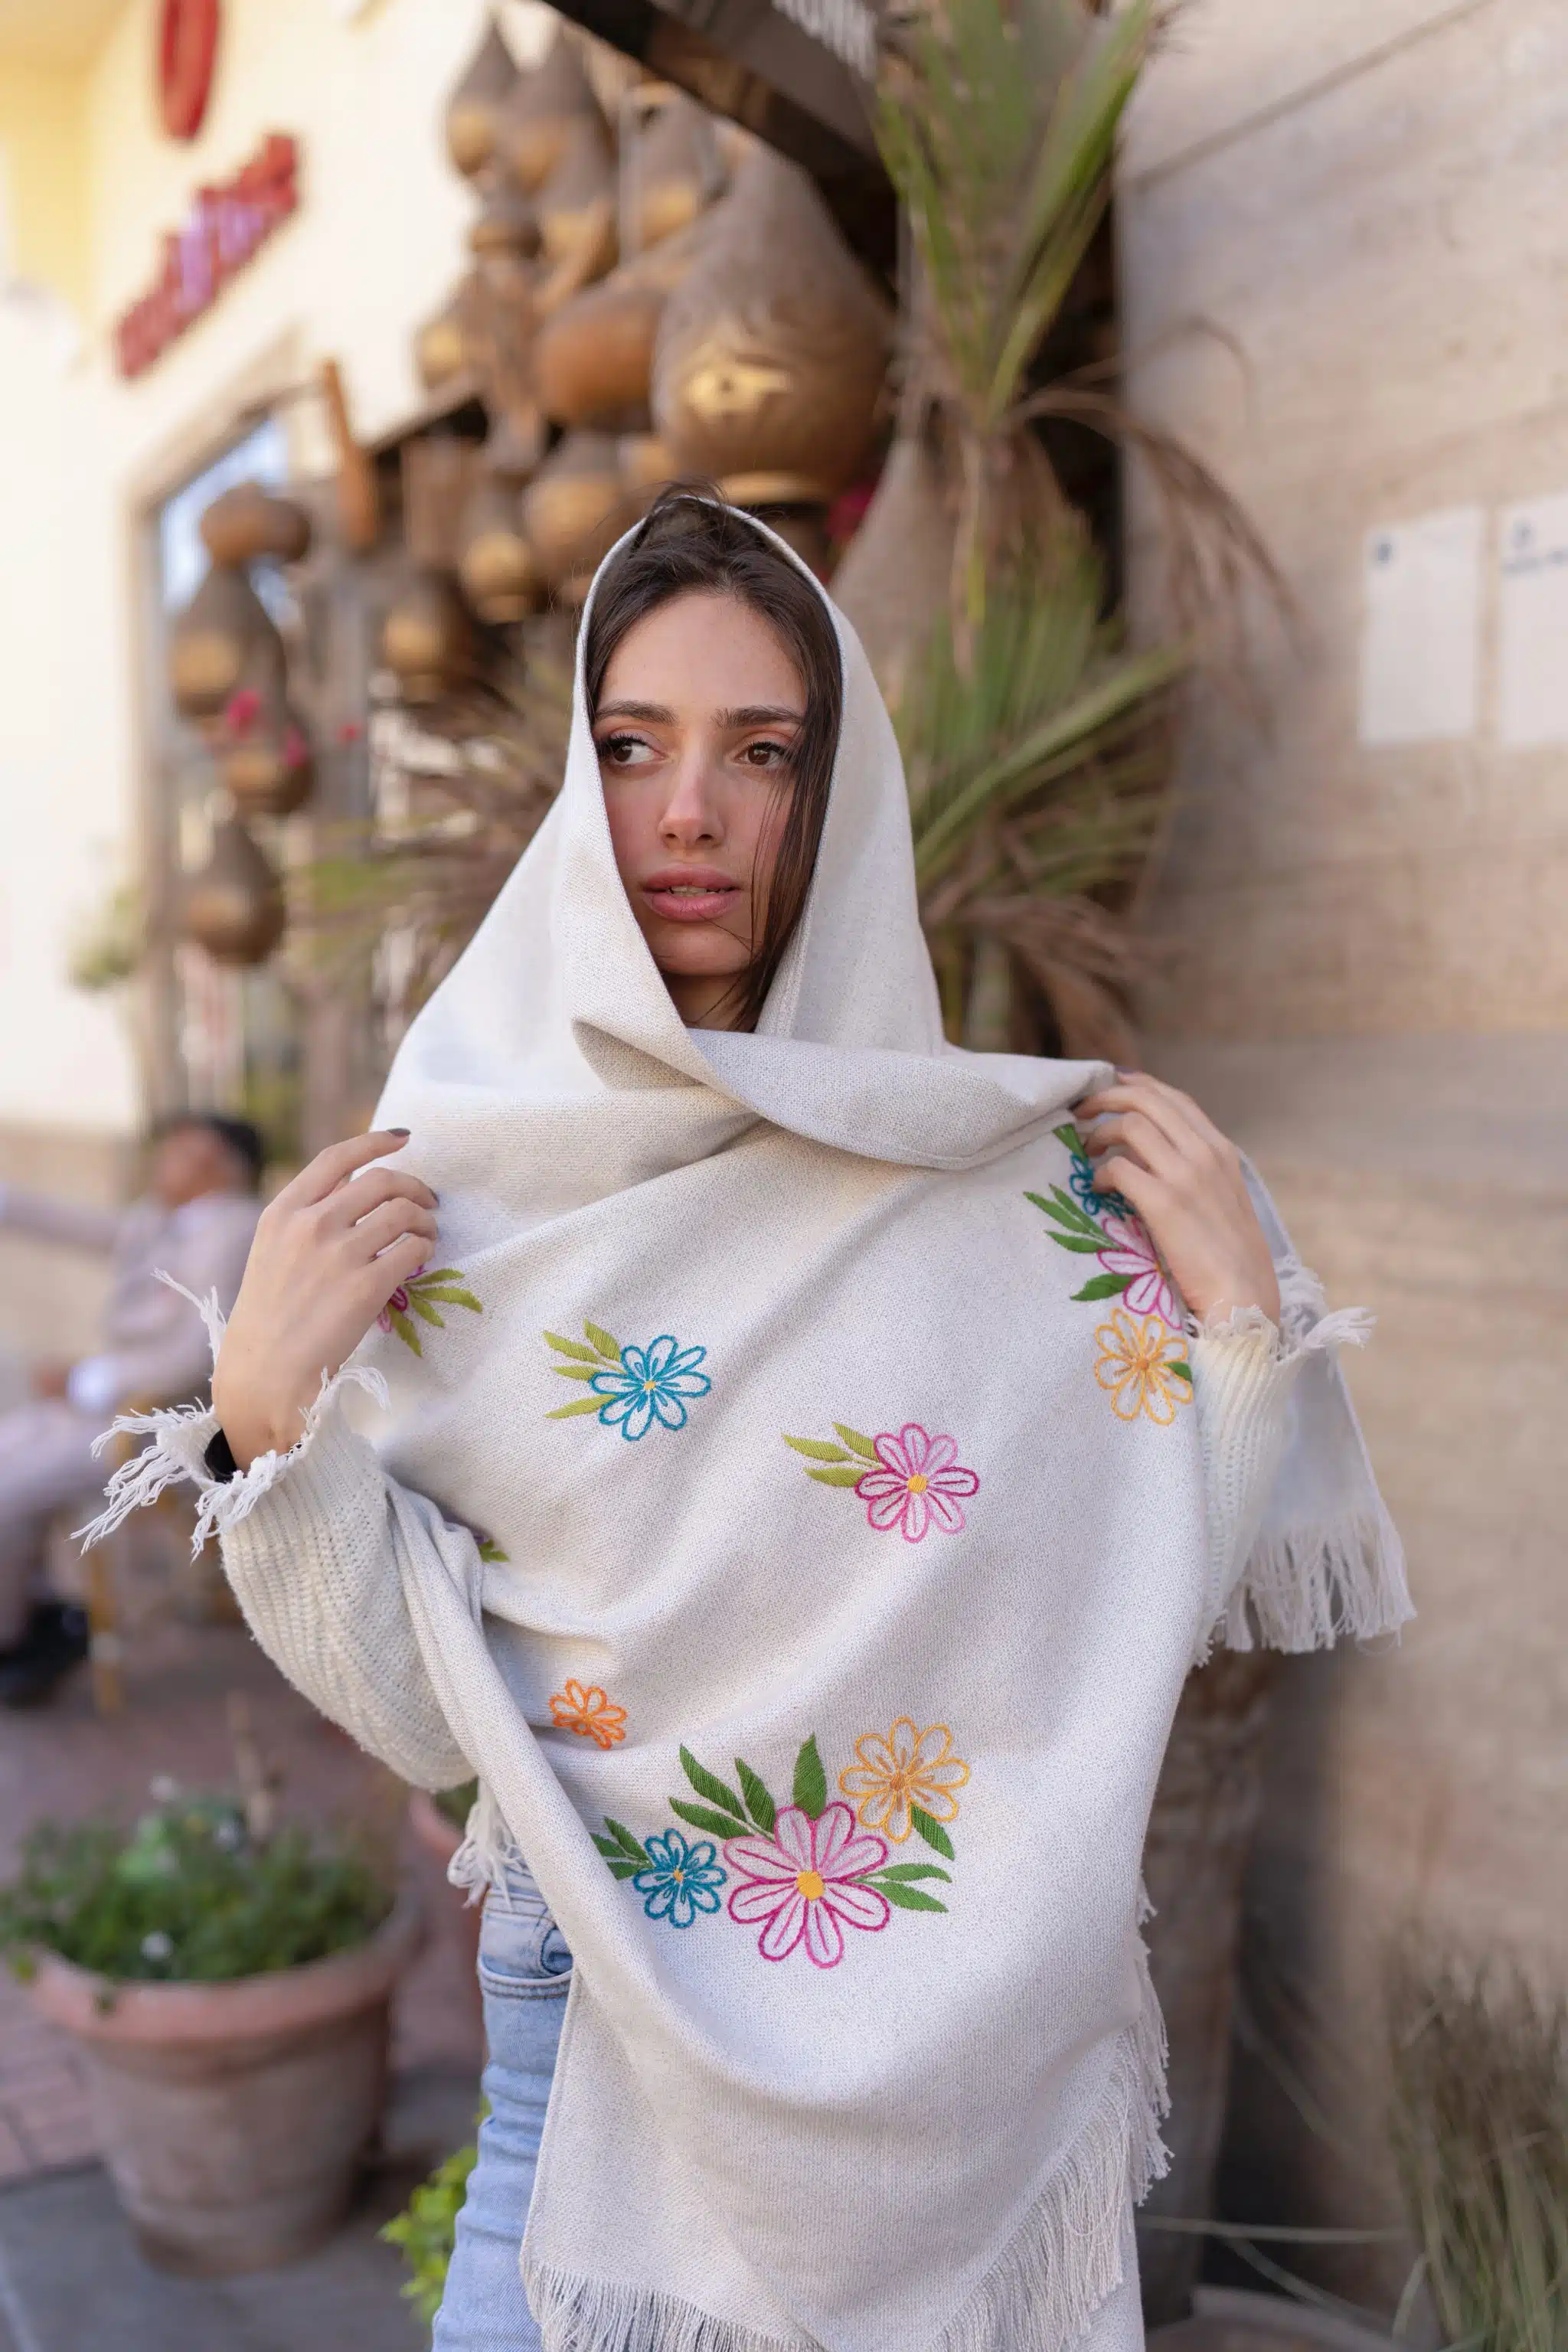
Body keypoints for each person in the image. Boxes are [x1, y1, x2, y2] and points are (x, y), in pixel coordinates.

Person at [87, 494, 1407, 2352]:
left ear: (832, 794)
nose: (686, 809)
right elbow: (420, 1714)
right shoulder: (451, 1181)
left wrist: (1238, 1335)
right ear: (576, 773)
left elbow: (1130, 1614)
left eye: (757, 750)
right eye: (629, 747)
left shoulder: (998, 1191)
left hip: (972, 2099)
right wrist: (261, 1419)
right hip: (587, 2066)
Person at [0, 1114, 263, 1704]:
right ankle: (39, 1613)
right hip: (112, 1409)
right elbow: (78, 1226)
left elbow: (200, 1355)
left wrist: (88, 1378)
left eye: (178, 1150)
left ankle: (19, 1638)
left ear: (216, 1162)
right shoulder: (161, 1220)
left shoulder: (237, 1231)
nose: (162, 1160)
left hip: (167, 1423)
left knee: (8, 1486)